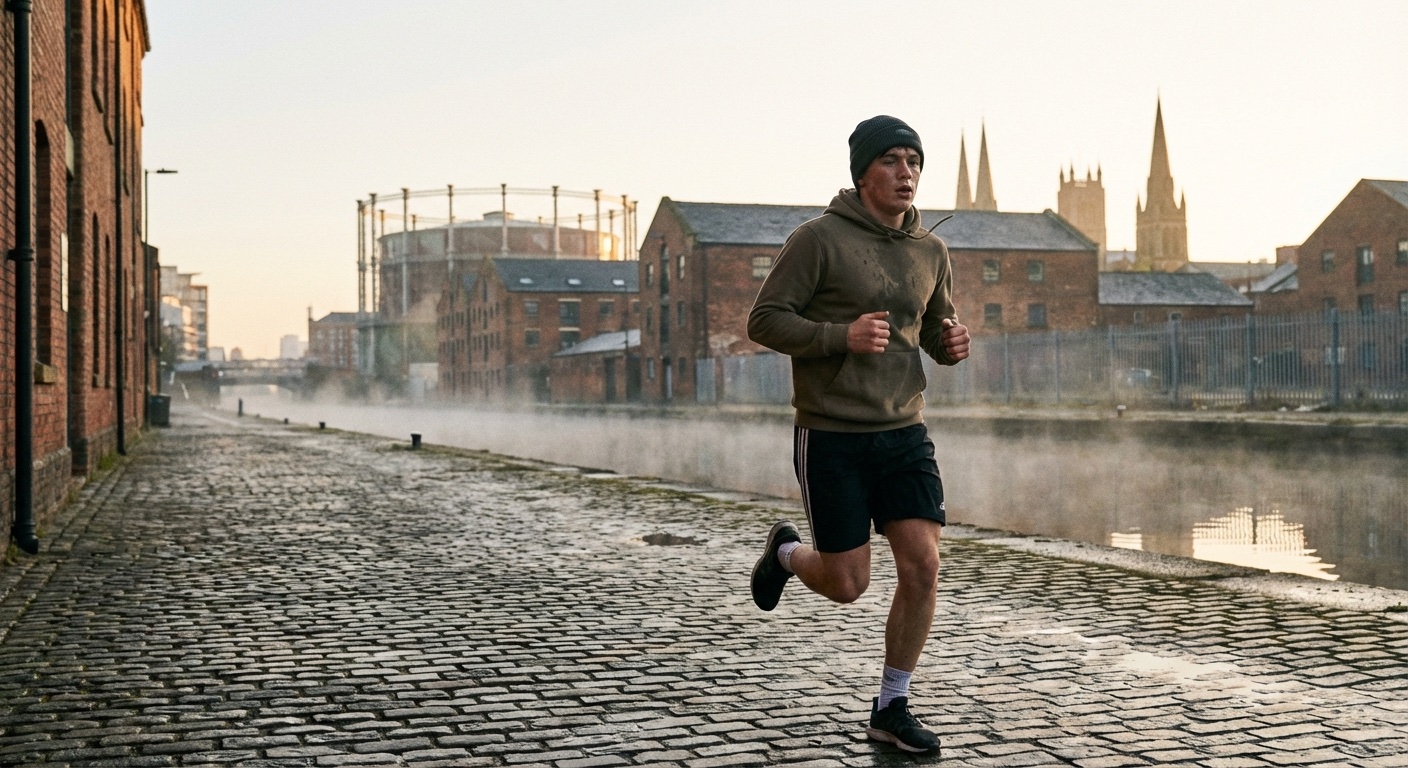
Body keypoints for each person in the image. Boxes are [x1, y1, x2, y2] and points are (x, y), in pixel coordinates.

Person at [746, 115, 970, 755]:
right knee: (848, 585)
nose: (907, 173)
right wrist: (838, 336)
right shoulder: (817, 239)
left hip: (904, 430)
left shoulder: (932, 251)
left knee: (923, 565)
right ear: (863, 173)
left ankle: (891, 706)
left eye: (914, 161)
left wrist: (950, 344)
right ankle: (785, 553)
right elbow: (764, 320)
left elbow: (932, 329)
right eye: (892, 160)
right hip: (832, 433)